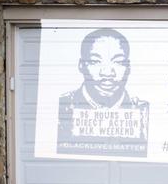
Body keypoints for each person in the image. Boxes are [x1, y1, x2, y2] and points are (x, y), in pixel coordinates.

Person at [57, 28, 149, 157]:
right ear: (81, 65)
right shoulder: (62, 106)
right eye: (95, 61)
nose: (107, 73)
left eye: (118, 62)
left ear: (128, 67)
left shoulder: (142, 110)